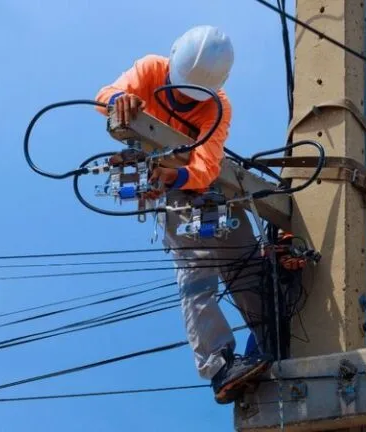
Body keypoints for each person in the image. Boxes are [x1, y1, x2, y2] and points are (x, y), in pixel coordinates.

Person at [95, 25, 271, 404]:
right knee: (198, 273)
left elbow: (207, 166)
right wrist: (119, 102)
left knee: (251, 270)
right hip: (176, 196)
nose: (183, 103)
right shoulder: (150, 69)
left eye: (192, 99)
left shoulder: (218, 106)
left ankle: (272, 342)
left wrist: (175, 173)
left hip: (203, 187)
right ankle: (219, 365)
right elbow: (104, 96)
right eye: (178, 94)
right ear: (172, 62)